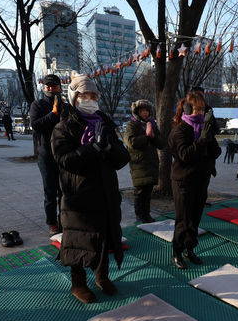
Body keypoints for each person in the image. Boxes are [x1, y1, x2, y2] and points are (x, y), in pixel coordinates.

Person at [51, 71, 129, 303]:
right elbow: (64, 160)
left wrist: (108, 148)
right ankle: (78, 283)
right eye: (86, 95)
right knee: (78, 241)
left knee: (105, 238)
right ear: (74, 97)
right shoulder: (64, 127)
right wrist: (92, 149)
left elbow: (122, 159)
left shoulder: (105, 123)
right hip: (79, 197)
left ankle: (101, 276)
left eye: (94, 95)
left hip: (106, 194)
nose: (91, 99)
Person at [168, 90, 222, 269]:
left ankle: (189, 249)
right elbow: (185, 155)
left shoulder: (204, 127)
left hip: (201, 178)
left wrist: (211, 135)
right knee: (183, 219)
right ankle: (176, 252)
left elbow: (216, 153)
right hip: (183, 180)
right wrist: (201, 140)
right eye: (197, 109)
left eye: (202, 110)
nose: (200, 113)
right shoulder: (180, 130)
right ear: (187, 108)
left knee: (195, 219)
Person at [30, 74, 65, 235]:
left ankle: (65, 221)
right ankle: (52, 224)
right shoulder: (38, 105)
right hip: (47, 156)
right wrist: (53, 114)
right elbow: (36, 126)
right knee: (50, 192)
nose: (50, 88)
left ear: (60, 87)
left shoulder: (66, 105)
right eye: (47, 85)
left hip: (64, 155)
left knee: (65, 192)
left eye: (53, 85)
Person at [124, 99, 165, 223]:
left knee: (148, 192)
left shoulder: (151, 124)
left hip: (151, 164)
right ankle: (139, 216)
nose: (145, 113)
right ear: (137, 111)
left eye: (147, 110)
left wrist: (153, 135)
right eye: (142, 110)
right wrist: (146, 136)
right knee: (140, 192)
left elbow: (161, 143)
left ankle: (147, 215)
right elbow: (131, 142)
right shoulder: (132, 125)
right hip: (139, 165)